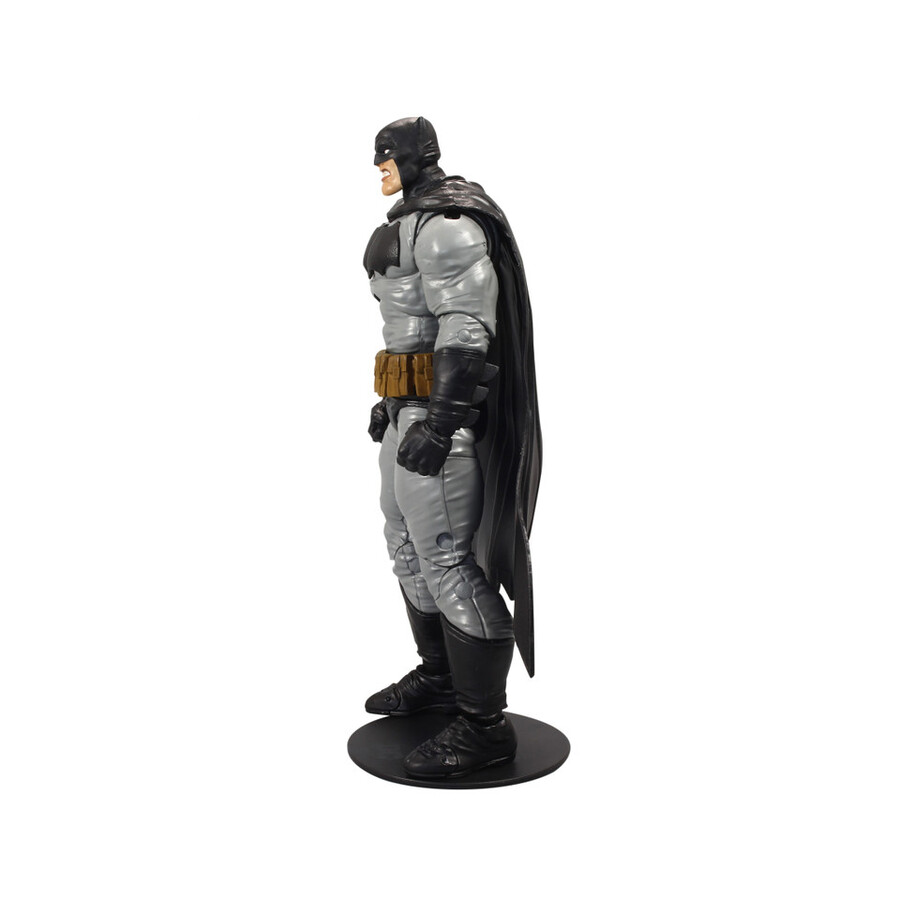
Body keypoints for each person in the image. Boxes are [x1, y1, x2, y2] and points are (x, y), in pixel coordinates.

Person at [363, 117, 541, 778]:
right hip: (404, 412)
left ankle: (484, 727)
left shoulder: (448, 228)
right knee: (405, 548)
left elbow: (466, 329)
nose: (379, 168)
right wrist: (392, 402)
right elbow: (406, 331)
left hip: (438, 422)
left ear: (417, 158)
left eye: (387, 157)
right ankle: (440, 679)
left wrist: (441, 425)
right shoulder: (408, 224)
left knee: (447, 559)